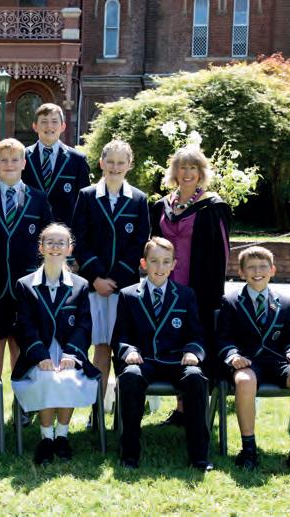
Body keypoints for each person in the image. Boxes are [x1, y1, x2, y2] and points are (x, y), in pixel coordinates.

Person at [216, 246, 290, 473]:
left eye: (263, 267)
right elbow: (223, 338)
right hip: (246, 362)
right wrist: (233, 356)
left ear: (272, 270)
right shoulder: (231, 300)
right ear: (241, 272)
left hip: (277, 362)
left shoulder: (285, 302)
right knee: (245, 381)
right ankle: (248, 449)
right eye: (251, 267)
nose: (258, 272)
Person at [112, 237, 212, 471]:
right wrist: (129, 351)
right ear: (143, 263)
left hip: (176, 360)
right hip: (144, 360)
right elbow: (121, 336)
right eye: (154, 261)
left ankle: (199, 456)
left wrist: (192, 351)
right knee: (130, 376)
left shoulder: (185, 295)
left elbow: (196, 334)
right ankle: (129, 455)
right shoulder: (128, 295)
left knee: (195, 377)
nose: (160, 267)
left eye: (166, 261)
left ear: (174, 264)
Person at [150, 145, 231, 427]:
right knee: (172, 341)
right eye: (182, 167)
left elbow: (221, 253)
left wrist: (213, 294)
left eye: (192, 168)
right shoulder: (162, 206)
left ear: (201, 172)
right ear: (175, 172)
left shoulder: (213, 206)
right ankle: (181, 409)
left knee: (197, 342)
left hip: (199, 291)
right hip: (166, 287)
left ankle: (197, 408)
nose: (187, 173)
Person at [71, 139, 149, 423]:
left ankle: (124, 417)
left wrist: (115, 278)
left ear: (129, 165)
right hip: (95, 287)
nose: (115, 167)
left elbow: (140, 241)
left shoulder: (139, 199)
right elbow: (79, 239)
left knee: (125, 350)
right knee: (101, 349)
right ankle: (97, 416)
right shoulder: (87, 195)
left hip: (125, 290)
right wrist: (96, 277)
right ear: (101, 163)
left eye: (121, 162)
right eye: (111, 162)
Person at [0, 138, 53, 380]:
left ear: (24, 163)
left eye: (15, 159)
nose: (9, 164)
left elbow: (47, 240)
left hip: (27, 284)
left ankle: (21, 399)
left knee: (22, 341)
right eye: (3, 160)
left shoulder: (38, 198)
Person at [11, 224, 98, 465]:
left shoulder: (80, 284)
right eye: (49, 242)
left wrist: (71, 355)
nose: (55, 247)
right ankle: (46, 438)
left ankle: (62, 436)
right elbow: (25, 325)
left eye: (61, 242)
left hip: (70, 352)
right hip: (37, 353)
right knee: (47, 378)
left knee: (68, 377)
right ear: (41, 247)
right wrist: (40, 355)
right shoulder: (25, 284)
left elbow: (83, 325)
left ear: (69, 249)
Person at [22, 103, 90, 226]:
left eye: (54, 121)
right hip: (30, 228)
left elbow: (85, 203)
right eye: (44, 121)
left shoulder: (77, 160)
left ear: (63, 126)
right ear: (35, 126)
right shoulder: (22, 157)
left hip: (64, 231)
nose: (49, 126)